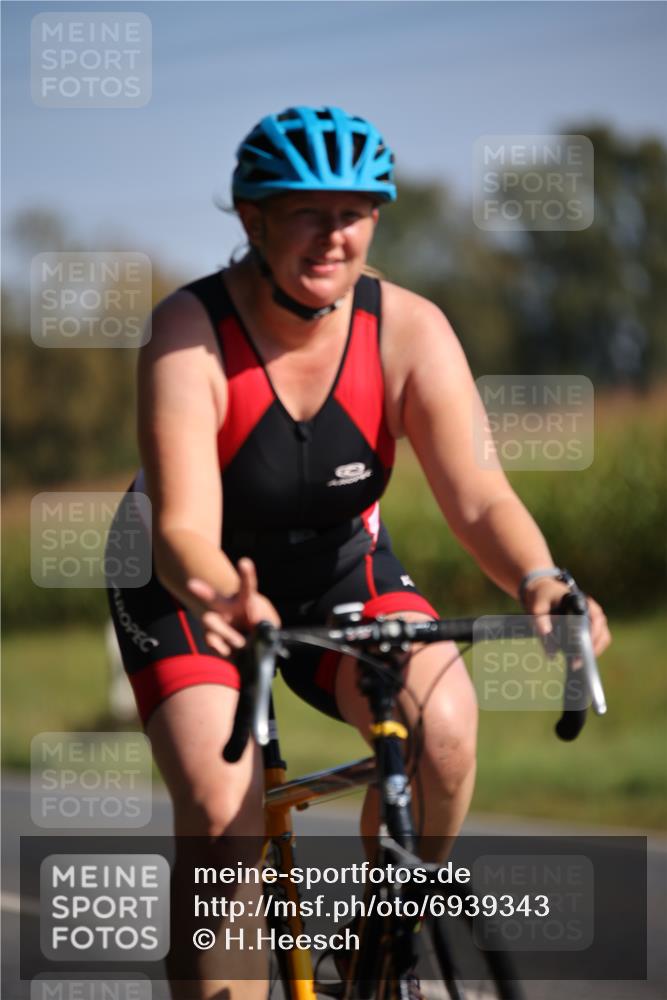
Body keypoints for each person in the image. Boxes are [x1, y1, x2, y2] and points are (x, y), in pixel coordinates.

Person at [106, 105, 610, 1000]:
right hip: (186, 580)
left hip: (338, 560)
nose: (333, 234)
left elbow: (479, 496)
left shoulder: (407, 328)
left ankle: (374, 957)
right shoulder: (188, 333)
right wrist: (223, 594)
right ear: (253, 219)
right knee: (225, 819)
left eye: (355, 210)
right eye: (306, 210)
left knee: (443, 732)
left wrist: (540, 579)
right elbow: (183, 525)